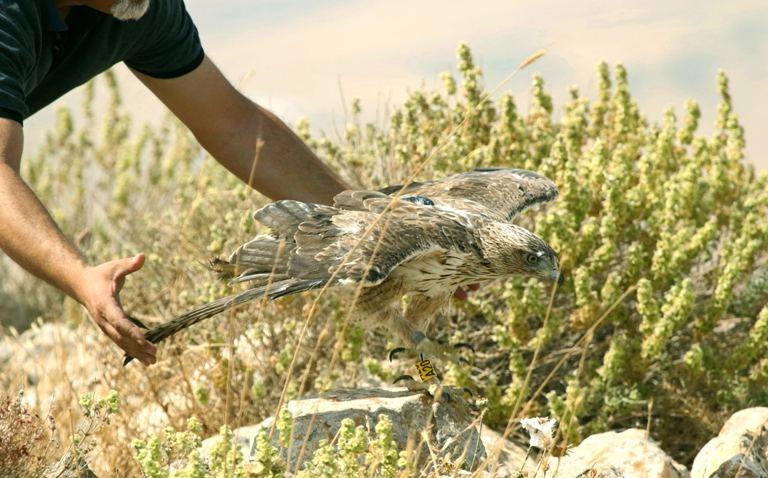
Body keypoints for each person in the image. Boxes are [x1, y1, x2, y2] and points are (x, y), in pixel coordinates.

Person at [0, 0, 349, 366]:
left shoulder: (139, 5)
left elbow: (234, 125)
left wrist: (369, 222)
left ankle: (421, 367)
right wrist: (80, 277)